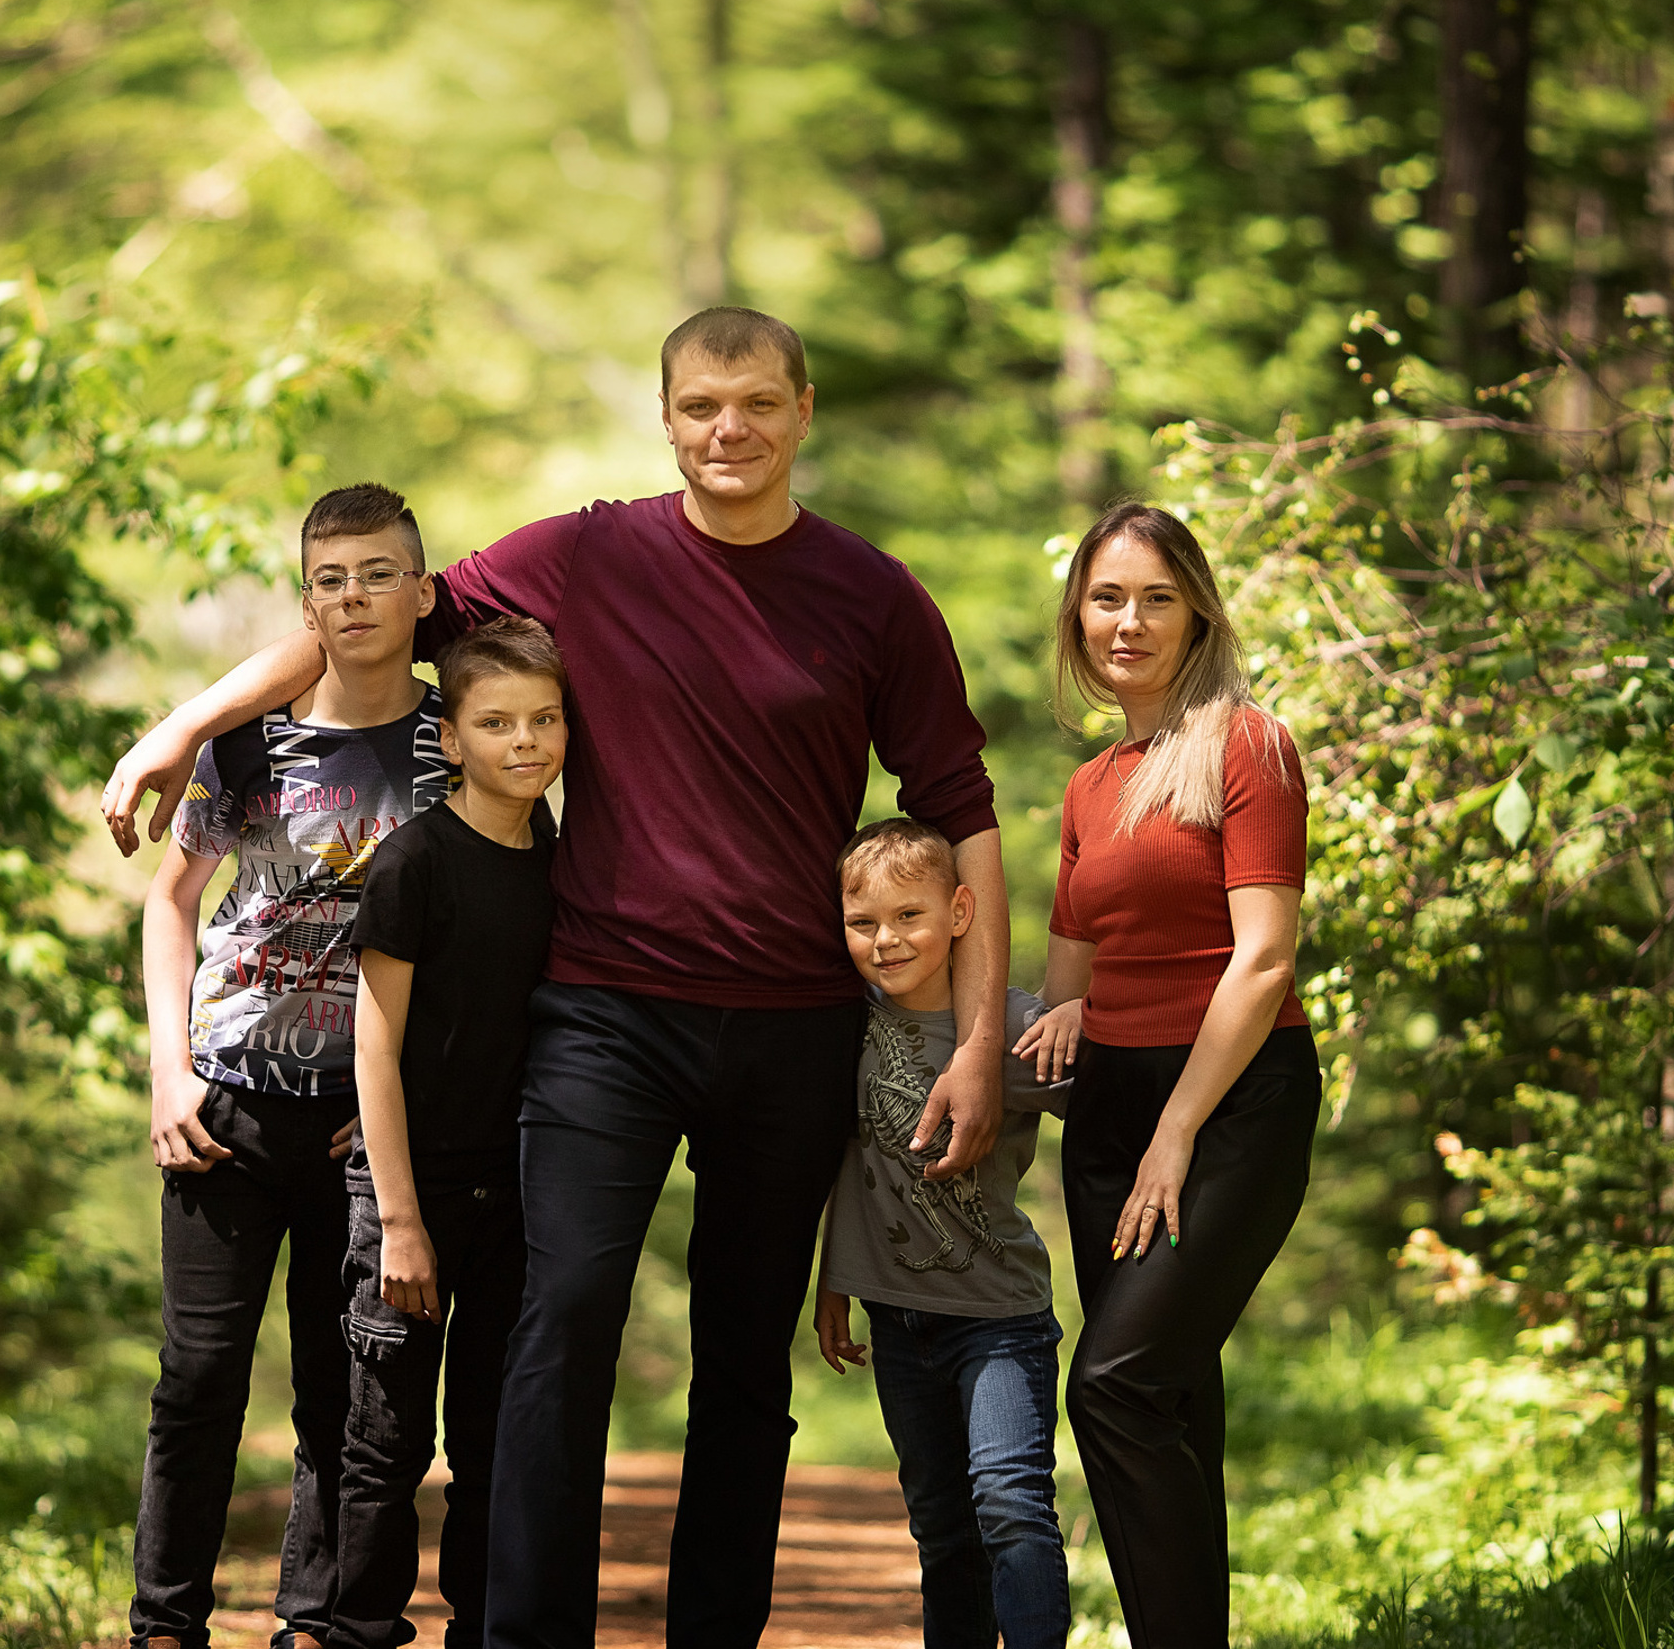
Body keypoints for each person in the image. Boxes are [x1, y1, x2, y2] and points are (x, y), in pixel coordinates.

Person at [101, 305, 1010, 1649]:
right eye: (702, 406)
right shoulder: (589, 555)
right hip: (605, 1012)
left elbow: (959, 808)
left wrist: (980, 1034)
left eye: (758, 403)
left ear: (803, 411)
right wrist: (186, 724)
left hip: (792, 1025)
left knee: (746, 1364)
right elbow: (381, 626)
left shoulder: (874, 596)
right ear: (667, 418)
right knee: (559, 1322)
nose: (730, 431)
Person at [129, 482, 452, 1649]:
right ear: (306, 602)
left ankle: (312, 1621)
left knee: (340, 1391)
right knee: (198, 1381)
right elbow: (172, 905)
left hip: (361, 1125)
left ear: (423, 592)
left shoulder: (455, 746)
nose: (354, 596)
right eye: (330, 578)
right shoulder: (250, 745)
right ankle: (165, 1621)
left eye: (377, 574)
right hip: (228, 1105)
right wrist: (169, 1074)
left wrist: (408, 1111)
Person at [1016, 501, 1320, 1649]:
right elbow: (1071, 979)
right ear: (1077, 617)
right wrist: (1077, 1011)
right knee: (1174, 1399)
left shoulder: (1248, 744)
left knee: (1118, 1388)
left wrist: (1178, 1130)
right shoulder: (1095, 786)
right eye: (1106, 598)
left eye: (1154, 596)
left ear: (1196, 608)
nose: (1127, 621)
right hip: (1112, 1110)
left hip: (1230, 1103)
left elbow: (1265, 955)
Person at [332, 617, 568, 1649]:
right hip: (408, 1194)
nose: (525, 741)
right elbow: (372, 1050)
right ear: (452, 737)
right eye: (497, 722)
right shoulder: (413, 863)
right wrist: (399, 1220)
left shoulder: (561, 859)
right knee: (386, 1444)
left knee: (490, 1440)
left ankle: (483, 1630)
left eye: (545, 719)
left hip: (513, 1196)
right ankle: (361, 1627)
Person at [814, 818, 1071, 1649]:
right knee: (941, 1529)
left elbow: (1120, 1104)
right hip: (899, 1321)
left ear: (962, 910)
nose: (885, 941)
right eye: (863, 923)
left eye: (909, 917)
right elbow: (845, 1164)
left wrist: (1084, 1018)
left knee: (1010, 1506)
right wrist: (834, 1281)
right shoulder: (843, 1025)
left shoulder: (1010, 1026)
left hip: (998, 1319)